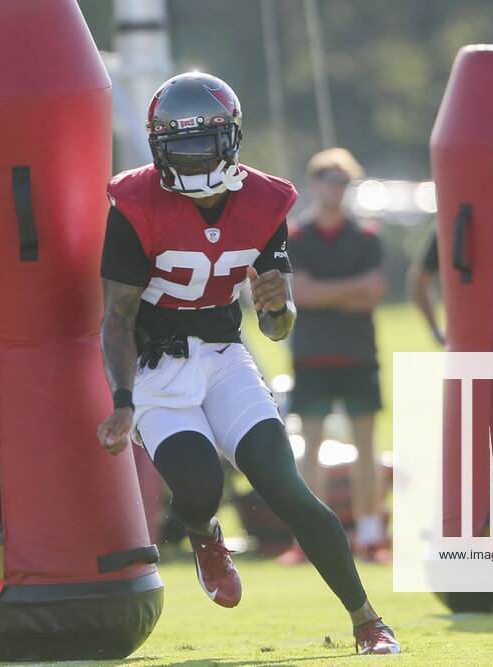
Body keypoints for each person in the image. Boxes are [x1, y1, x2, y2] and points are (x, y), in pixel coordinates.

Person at [95, 73, 400, 655]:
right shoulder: (133, 202)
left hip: (223, 354)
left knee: (285, 486)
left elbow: (277, 323)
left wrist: (280, 307)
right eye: (176, 145)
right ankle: (204, 533)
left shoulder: (267, 201)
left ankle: (367, 621)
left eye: (199, 145)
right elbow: (117, 317)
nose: (188, 158)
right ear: (159, 147)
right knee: (199, 483)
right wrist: (123, 401)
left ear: (229, 140)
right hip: (157, 365)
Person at [282, 148, 388, 565]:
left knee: (367, 445)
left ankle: (370, 534)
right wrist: (350, 288)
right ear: (314, 182)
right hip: (312, 356)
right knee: (311, 447)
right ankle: (310, 539)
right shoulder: (296, 238)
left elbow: (374, 293)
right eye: (328, 178)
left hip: (358, 355)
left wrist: (324, 293)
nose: (335, 187)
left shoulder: (367, 237)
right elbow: (301, 294)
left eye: (343, 180)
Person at [407, 225, 445, 346]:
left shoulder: (453, 217)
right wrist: (435, 330)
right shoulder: (450, 222)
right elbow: (418, 283)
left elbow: (418, 282)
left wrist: (435, 331)